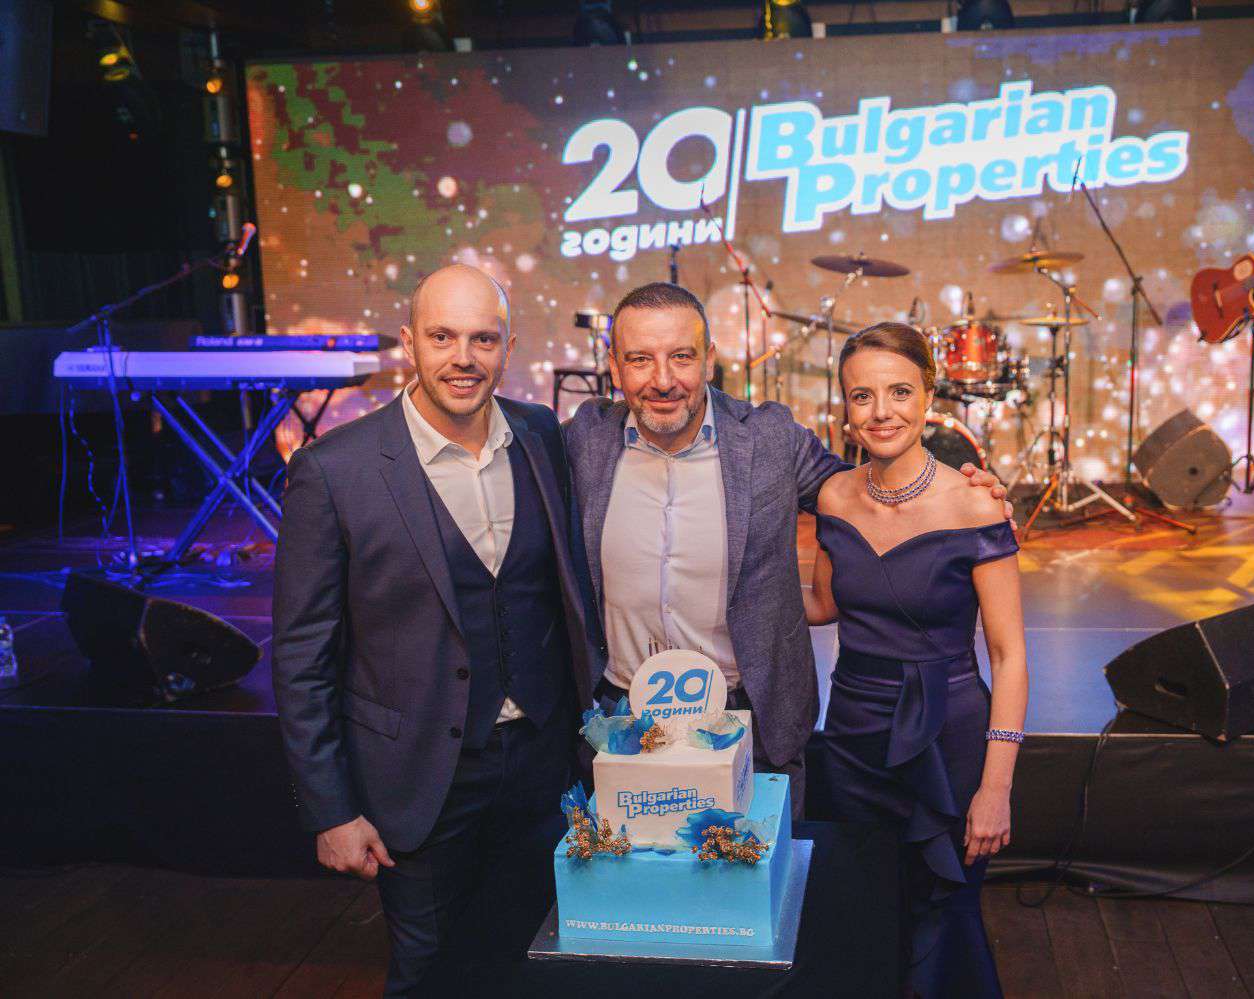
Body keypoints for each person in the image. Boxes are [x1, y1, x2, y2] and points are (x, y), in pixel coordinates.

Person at [272, 264, 603, 995]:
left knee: (539, 958)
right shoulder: (335, 469)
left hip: (543, 764)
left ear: (508, 345)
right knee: (430, 972)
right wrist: (330, 808)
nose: (463, 357)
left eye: (483, 338)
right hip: (418, 777)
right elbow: (301, 656)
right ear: (409, 342)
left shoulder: (541, 435)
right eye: (443, 336)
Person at [565, 282, 1012, 813]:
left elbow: (865, 492)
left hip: (751, 720)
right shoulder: (584, 440)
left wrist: (966, 495)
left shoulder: (770, 438)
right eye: (640, 359)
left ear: (709, 360)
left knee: (763, 866)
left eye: (681, 357)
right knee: (629, 866)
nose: (663, 380)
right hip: (621, 719)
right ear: (614, 367)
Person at [803, 322, 1026, 999]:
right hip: (853, 736)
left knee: (943, 911)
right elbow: (821, 604)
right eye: (862, 395)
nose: (882, 412)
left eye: (900, 392)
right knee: (864, 908)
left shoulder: (976, 503)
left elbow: (1009, 655)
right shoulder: (833, 496)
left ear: (930, 396)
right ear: (846, 408)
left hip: (947, 740)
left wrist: (996, 787)